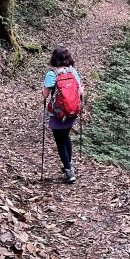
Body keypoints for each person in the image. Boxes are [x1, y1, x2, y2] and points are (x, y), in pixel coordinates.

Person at [42, 46, 83, 183]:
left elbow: (45, 94)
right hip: (72, 111)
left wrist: (45, 88)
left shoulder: (52, 74)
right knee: (66, 137)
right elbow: (81, 91)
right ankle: (69, 164)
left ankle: (68, 171)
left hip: (57, 113)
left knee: (60, 140)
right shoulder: (73, 71)